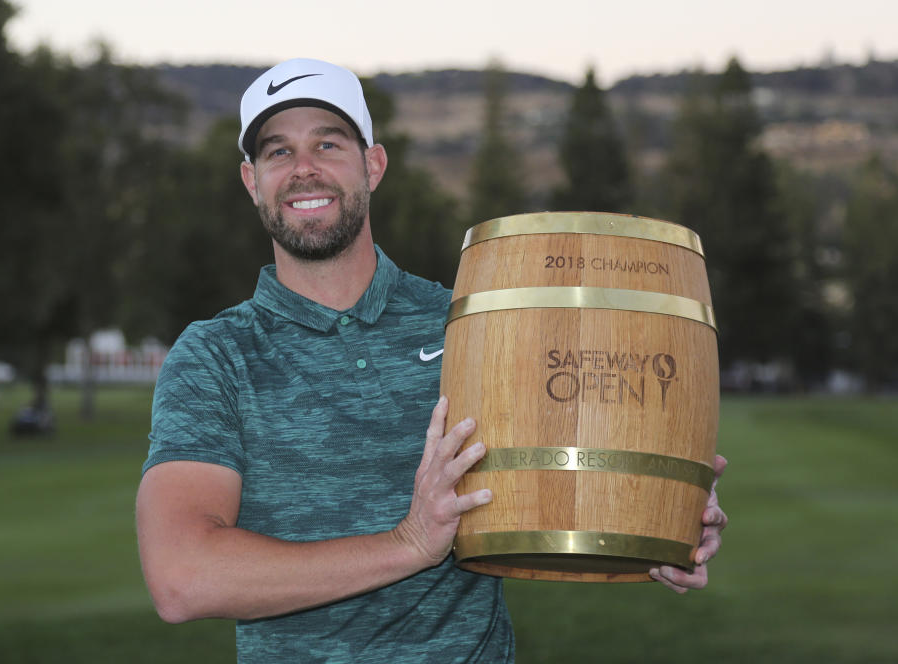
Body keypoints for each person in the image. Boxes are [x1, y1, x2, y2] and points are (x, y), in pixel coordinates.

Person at [135, 57, 729, 663]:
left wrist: (662, 517)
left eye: (328, 143)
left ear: (374, 164)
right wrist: (410, 544)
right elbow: (182, 578)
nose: (303, 170)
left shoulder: (474, 327)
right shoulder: (215, 356)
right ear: (250, 180)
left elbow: (563, 478)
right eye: (277, 152)